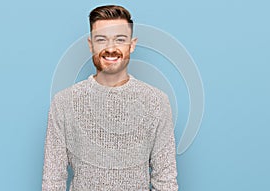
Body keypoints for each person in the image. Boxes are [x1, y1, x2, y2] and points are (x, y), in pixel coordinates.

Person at [42, 5, 178, 191]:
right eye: (101, 39)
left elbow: (166, 181)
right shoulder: (64, 103)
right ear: (91, 45)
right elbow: (53, 180)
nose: (111, 48)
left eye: (120, 39)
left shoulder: (156, 102)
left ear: (132, 44)